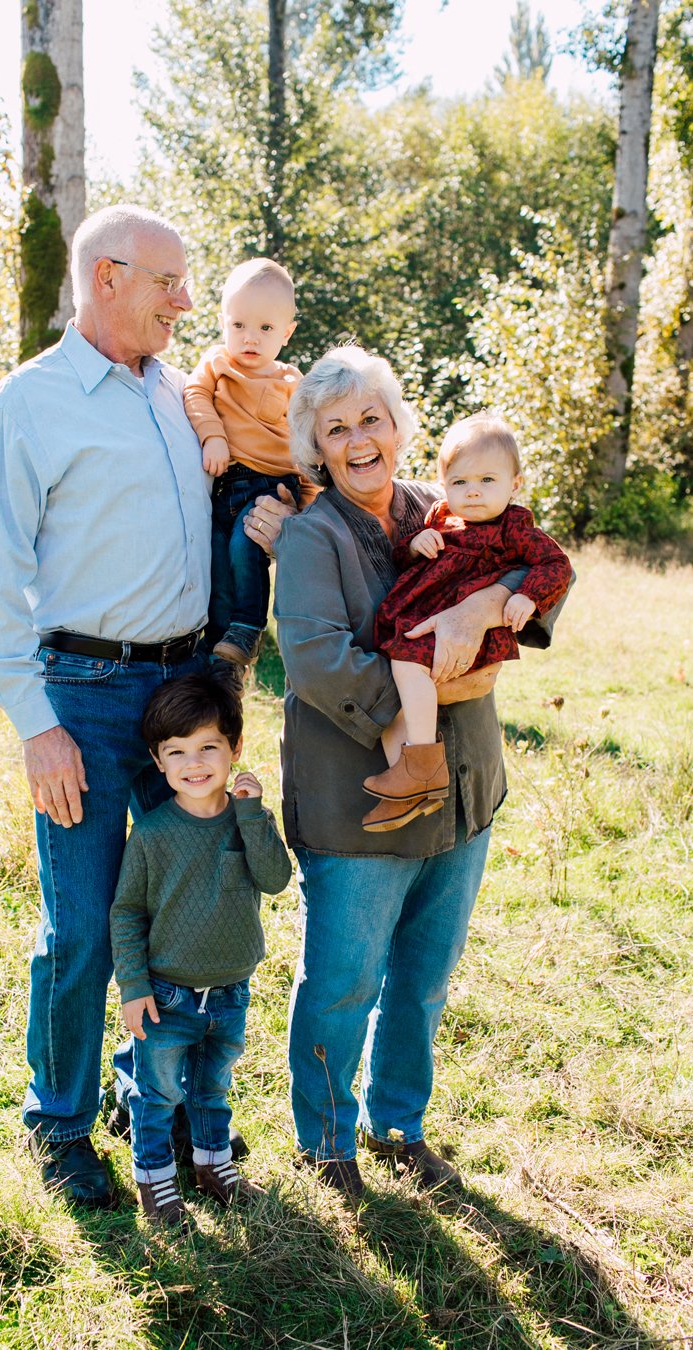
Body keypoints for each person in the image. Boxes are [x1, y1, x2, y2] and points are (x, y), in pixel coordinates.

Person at [0, 204, 212, 1208]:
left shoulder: (183, 396)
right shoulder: (28, 407)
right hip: (87, 698)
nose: (187, 303)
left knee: (182, 916)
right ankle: (57, 1124)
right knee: (84, 928)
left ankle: (141, 1093)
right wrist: (37, 725)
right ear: (107, 277)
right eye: (169, 284)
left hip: (187, 691)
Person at [268, 345, 567, 1197]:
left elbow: (540, 566)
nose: (359, 439)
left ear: (399, 426)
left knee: (425, 978)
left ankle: (397, 1124)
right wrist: (440, 685)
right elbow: (318, 660)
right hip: (361, 797)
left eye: (372, 418)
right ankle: (326, 1145)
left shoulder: (455, 504)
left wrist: (482, 604)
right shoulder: (311, 535)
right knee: (344, 981)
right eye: (336, 428)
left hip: (466, 790)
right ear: (316, 448)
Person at [110, 669, 291, 1227]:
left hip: (231, 991)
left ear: (234, 749)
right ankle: (156, 1181)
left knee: (213, 1089)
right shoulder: (153, 834)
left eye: (208, 746)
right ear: (158, 762)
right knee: (159, 1095)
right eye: (177, 751)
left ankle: (213, 1165)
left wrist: (252, 813)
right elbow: (126, 913)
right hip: (166, 995)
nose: (195, 763)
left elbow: (276, 877)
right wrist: (135, 988)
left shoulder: (248, 822)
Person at [362, 412, 572, 830]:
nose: (472, 493)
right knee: (391, 718)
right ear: (444, 485)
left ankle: (421, 765)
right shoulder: (440, 516)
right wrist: (415, 543)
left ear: (514, 484)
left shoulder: (513, 527)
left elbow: (557, 564)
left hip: (453, 633)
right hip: (424, 618)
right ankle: (414, 787)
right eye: (459, 482)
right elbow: (403, 558)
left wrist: (526, 596)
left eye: (487, 481)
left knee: (405, 666)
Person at [183, 259, 312, 666]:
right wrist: (213, 435)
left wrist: (307, 502)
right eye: (238, 326)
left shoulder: (293, 383)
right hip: (228, 483)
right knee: (218, 558)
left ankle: (249, 626)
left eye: (265, 329)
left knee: (246, 544)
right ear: (223, 323)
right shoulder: (217, 364)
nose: (249, 338)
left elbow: (310, 446)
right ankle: (219, 637)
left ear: (287, 333)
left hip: (270, 485)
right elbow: (194, 395)